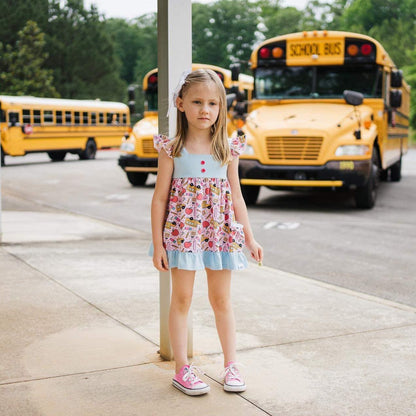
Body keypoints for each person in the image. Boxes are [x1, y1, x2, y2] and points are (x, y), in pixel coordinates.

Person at [151, 69, 263, 396]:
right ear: (180, 103)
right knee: (182, 299)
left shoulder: (227, 149)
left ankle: (231, 364)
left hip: (221, 234)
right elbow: (159, 198)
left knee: (221, 300)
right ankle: (182, 368)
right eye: (197, 101)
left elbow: (237, 197)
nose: (205, 109)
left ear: (221, 108)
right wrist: (158, 244)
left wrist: (250, 238)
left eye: (213, 103)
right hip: (182, 234)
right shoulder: (172, 149)